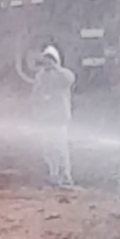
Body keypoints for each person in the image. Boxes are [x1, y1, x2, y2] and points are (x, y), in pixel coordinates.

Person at [30, 45, 76, 187]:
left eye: (51, 59)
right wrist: (37, 109)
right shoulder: (41, 76)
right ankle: (53, 175)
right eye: (46, 60)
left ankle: (66, 176)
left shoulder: (63, 75)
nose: (48, 63)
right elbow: (35, 95)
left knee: (61, 148)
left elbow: (70, 79)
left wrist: (56, 68)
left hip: (59, 119)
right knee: (48, 149)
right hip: (46, 119)